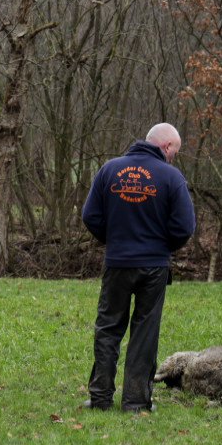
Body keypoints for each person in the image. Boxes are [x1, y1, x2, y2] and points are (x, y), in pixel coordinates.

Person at [80, 123, 196, 413]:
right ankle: (136, 401)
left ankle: (100, 398)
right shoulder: (171, 177)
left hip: (117, 262)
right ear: (167, 147)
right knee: (144, 332)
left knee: (108, 329)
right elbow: (185, 226)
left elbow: (90, 215)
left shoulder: (109, 169)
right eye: (175, 152)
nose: (174, 158)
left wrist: (114, 240)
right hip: (154, 267)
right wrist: (162, 246)